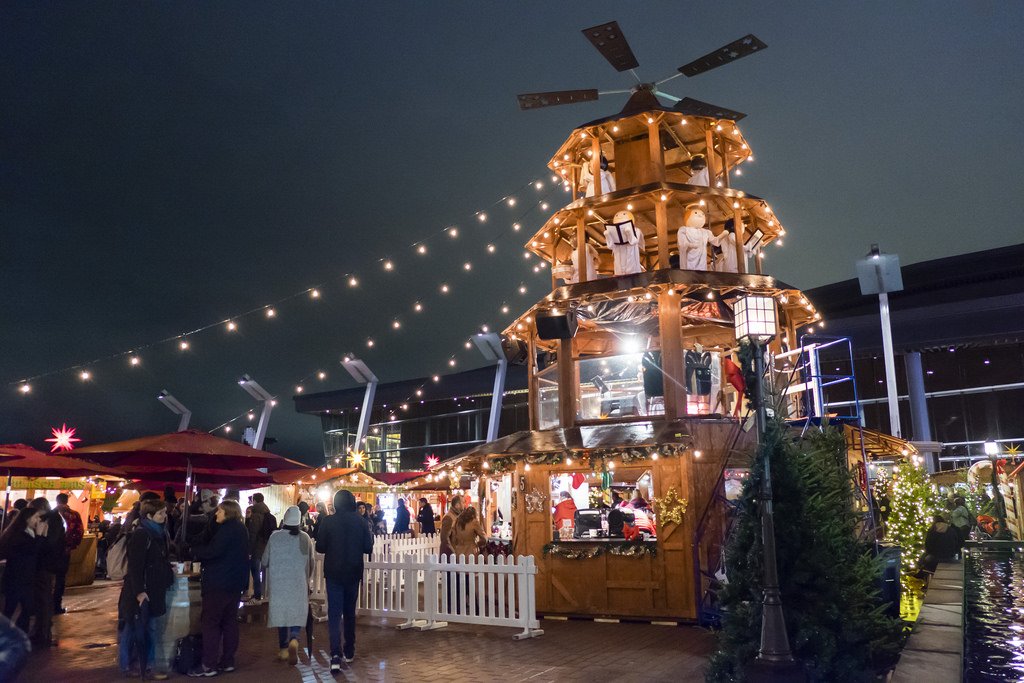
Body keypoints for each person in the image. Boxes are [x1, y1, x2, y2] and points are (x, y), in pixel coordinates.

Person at [315, 490, 373, 673]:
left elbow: (320, 547)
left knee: (334, 614)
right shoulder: (361, 522)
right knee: (349, 613)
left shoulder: (328, 521)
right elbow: (368, 548)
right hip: (353, 572)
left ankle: (335, 654)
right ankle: (349, 649)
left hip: (333, 572)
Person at [190, 501, 249, 677]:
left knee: (211, 623)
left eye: (220, 511)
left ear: (228, 513)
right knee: (229, 621)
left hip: (218, 582)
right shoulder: (241, 530)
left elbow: (214, 551)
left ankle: (209, 664)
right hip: (234, 583)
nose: (217, 514)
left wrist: (196, 550)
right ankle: (227, 661)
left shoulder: (226, 531)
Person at [117, 498, 174, 678]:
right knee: (136, 629)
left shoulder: (159, 533)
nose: (165, 516)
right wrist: (140, 591)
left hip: (153, 588)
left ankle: (145, 665)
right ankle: (134, 665)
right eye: (161, 513)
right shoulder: (142, 534)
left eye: (164, 513)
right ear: (149, 515)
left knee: (147, 628)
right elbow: (135, 566)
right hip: (141, 591)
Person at [262, 505, 313, 666]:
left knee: (282, 613)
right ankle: (294, 638)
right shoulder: (304, 538)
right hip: (298, 581)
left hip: (279, 581)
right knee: (297, 611)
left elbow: (264, 561)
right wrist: (307, 579)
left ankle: (284, 648)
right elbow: (310, 562)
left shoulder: (275, 537)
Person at [0, 507, 46, 633]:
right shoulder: (20, 535)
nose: (38, 520)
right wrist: (39, 536)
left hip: (23, 578)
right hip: (18, 578)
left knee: (23, 609)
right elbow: (31, 551)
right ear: (27, 519)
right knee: (13, 609)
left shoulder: (25, 533)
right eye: (36, 517)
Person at [28, 497, 64, 648]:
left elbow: (48, 543)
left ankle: (42, 631)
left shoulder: (49, 522)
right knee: (45, 597)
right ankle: (43, 629)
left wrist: (38, 538)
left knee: (43, 597)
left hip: (44, 564)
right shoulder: (56, 520)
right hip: (50, 564)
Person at [54, 492, 84, 615]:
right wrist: (71, 544)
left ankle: (43, 604)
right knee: (61, 578)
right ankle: (56, 605)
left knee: (47, 577)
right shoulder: (74, 515)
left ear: (56, 501)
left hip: (48, 551)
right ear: (67, 501)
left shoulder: (49, 514)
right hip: (65, 551)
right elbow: (79, 532)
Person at [244, 493, 275, 602]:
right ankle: (266, 594)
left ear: (255, 501)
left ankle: (257, 595)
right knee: (265, 571)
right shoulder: (268, 514)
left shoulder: (256, 515)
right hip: (267, 546)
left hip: (257, 547)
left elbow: (252, 534)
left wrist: (249, 550)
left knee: (255, 571)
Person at [914, 514, 960, 579]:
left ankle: (922, 573)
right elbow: (956, 544)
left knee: (925, 559)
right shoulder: (951, 530)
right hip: (950, 556)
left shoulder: (932, 530)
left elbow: (928, 546)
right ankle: (921, 573)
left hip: (937, 557)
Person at [604, 210, 645, 276]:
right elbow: (611, 246)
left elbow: (634, 241)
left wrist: (629, 232)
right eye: (616, 216)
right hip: (619, 269)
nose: (619, 217)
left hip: (633, 268)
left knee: (633, 284)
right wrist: (608, 236)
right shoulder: (614, 232)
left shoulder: (636, 230)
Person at [677, 204, 709, 271]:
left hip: (701, 263)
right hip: (689, 262)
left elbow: (714, 240)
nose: (700, 215)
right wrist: (691, 245)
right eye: (696, 213)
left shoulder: (703, 232)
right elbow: (682, 243)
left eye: (703, 214)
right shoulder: (683, 230)